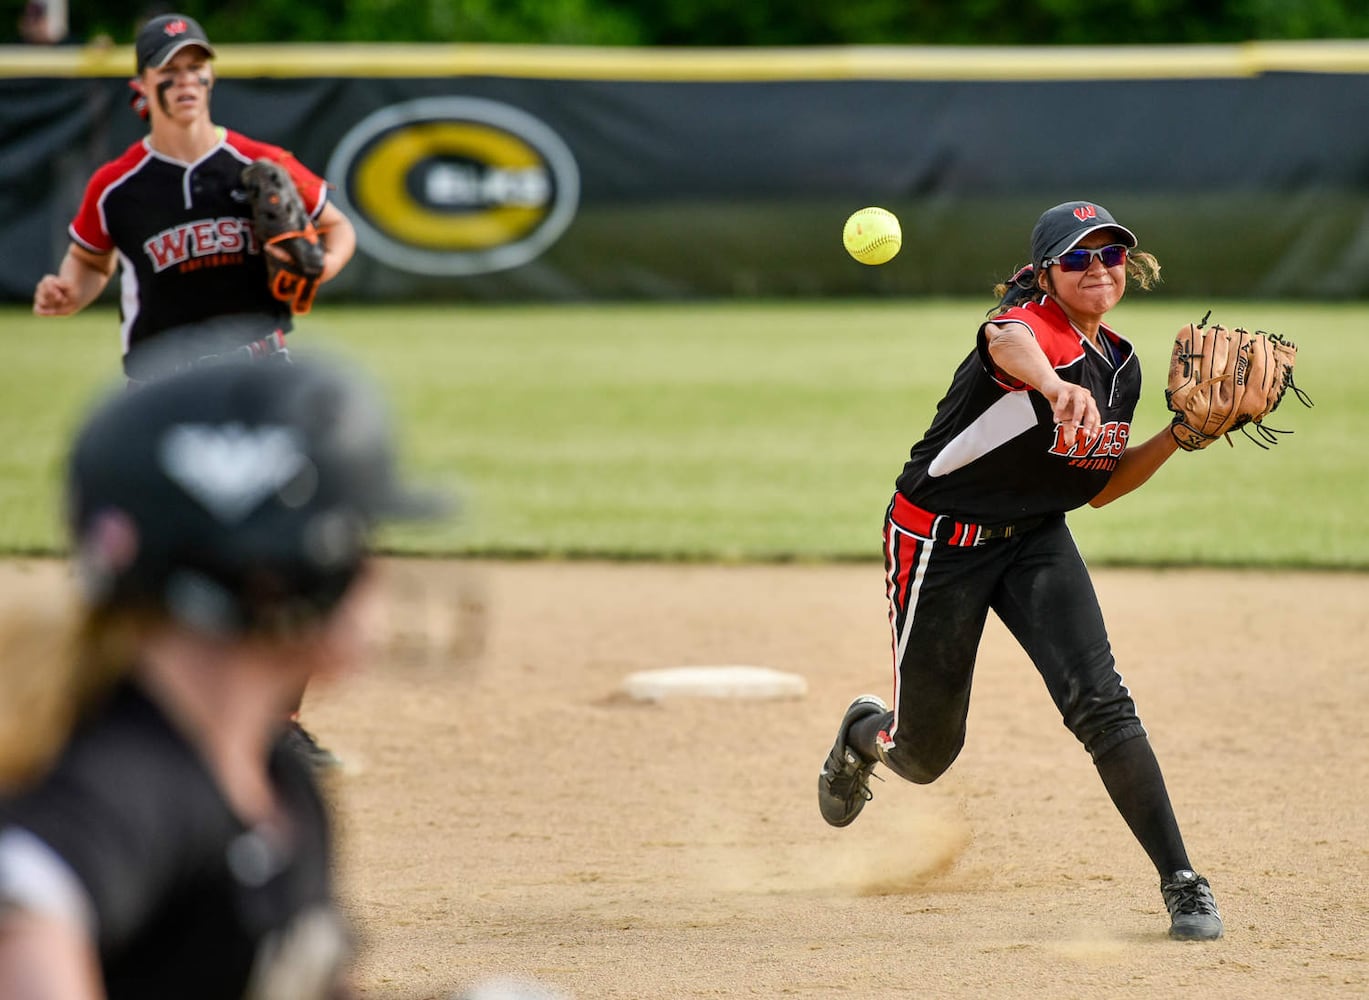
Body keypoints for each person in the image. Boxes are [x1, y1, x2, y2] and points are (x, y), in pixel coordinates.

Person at [816, 200, 1224, 941]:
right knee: (925, 753)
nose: (1097, 268)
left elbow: (1095, 487)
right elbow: (1004, 340)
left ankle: (1182, 880)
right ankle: (861, 737)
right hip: (939, 540)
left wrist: (1179, 436)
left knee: (1101, 704)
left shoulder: (1121, 363)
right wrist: (1054, 386)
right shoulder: (1027, 330)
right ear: (1045, 274)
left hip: (1035, 537)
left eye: (1109, 254)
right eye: (1076, 258)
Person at [0, 357, 443, 997]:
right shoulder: (126, 783)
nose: (376, 574)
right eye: (355, 540)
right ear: (269, 575)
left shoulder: (277, 785)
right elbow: (26, 894)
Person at [31, 12, 356, 383]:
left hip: (258, 368)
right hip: (158, 377)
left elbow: (338, 225)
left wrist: (325, 265)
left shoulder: (258, 161)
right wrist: (70, 291)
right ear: (141, 85)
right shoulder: (115, 185)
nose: (185, 79)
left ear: (210, 76)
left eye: (195, 66)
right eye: (169, 69)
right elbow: (90, 261)